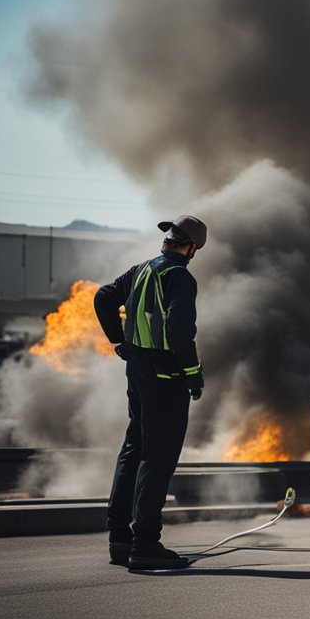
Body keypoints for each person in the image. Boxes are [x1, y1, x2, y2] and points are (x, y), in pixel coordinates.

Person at [94, 215, 207, 571]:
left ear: (168, 241)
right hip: (165, 377)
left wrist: (119, 340)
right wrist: (193, 374)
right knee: (156, 458)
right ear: (192, 249)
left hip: (138, 373)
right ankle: (145, 544)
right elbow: (178, 331)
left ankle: (120, 540)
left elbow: (103, 297)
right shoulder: (180, 277)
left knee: (134, 449)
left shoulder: (141, 270)